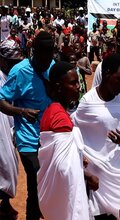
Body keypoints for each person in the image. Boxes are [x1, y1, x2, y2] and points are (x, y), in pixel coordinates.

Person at [72, 54, 120, 219]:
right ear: (107, 74)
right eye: (119, 79)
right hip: (99, 176)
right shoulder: (88, 102)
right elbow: (73, 131)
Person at [0, 31, 55, 220]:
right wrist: (22, 112)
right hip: (28, 139)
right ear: (33, 51)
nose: (47, 61)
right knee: (35, 184)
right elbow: (1, 101)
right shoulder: (19, 72)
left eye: (50, 55)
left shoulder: (53, 67)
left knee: (50, 186)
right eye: (43, 56)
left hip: (51, 138)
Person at [37, 62, 98, 220]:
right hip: (67, 200)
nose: (78, 86)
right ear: (58, 87)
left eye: (77, 81)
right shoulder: (59, 118)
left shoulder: (52, 111)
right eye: (72, 83)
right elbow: (65, 170)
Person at [0, 39, 23, 219]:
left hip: (10, 128)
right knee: (5, 165)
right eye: (12, 62)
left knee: (11, 166)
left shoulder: (13, 75)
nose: (15, 65)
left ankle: (5, 204)